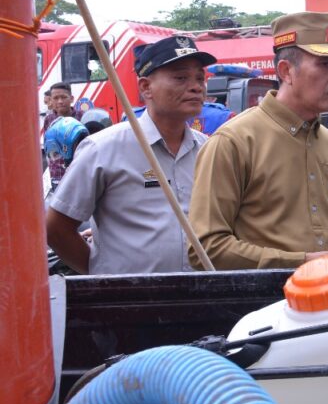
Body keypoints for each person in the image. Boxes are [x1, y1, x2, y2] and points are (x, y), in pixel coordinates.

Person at [189, 12, 328, 269]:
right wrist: (300, 263)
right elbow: (204, 247)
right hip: (265, 304)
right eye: (325, 64)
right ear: (286, 71)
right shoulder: (234, 142)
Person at [46, 36, 217, 274]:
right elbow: (56, 228)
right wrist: (101, 275)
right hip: (129, 304)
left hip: (201, 298)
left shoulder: (208, 150)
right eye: (181, 77)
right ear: (146, 87)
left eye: (200, 78)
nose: (197, 86)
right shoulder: (102, 148)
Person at [42, 82, 81, 191]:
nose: (60, 101)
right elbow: (49, 148)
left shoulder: (82, 116)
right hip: (57, 176)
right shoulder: (48, 119)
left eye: (64, 97)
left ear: (72, 98)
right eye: (55, 98)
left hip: (79, 175)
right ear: (51, 100)